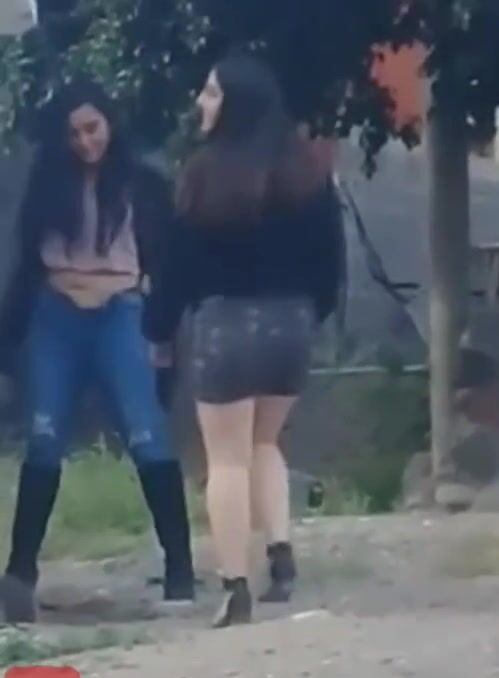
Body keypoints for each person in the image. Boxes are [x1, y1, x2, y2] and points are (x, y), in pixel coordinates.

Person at [144, 54, 345, 628]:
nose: (200, 102)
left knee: (226, 459)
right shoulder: (308, 171)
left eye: (210, 93)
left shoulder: (202, 175)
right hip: (292, 325)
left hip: (225, 326)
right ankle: (280, 555)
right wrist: (312, 313)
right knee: (265, 441)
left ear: (234, 105)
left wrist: (158, 332)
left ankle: (235, 585)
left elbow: (174, 268)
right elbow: (330, 259)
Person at [0, 78, 195, 623]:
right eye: (74, 134)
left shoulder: (142, 184)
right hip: (56, 313)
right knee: (44, 440)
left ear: (109, 123)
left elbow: (168, 261)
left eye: (93, 128)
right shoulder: (46, 185)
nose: (86, 142)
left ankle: (180, 569)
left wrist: (164, 329)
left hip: (122, 310)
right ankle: (19, 574)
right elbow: (26, 264)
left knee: (147, 433)